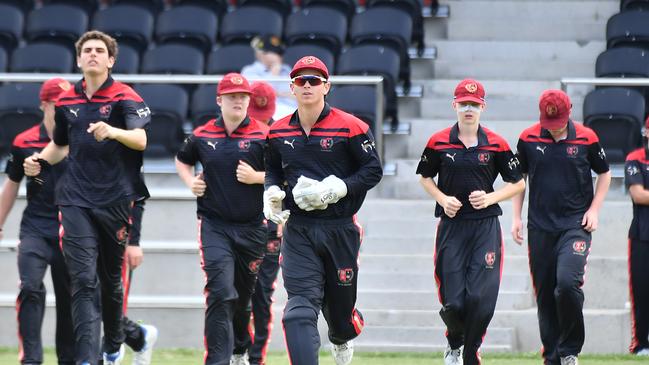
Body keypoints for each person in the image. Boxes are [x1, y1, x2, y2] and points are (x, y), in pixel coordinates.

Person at [23, 30, 151, 365]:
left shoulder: (126, 97)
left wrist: (113, 131)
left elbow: (140, 139)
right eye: (87, 51)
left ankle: (114, 341)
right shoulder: (67, 101)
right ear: (79, 60)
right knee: (81, 280)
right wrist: (38, 160)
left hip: (115, 201)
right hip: (75, 199)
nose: (93, 55)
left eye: (100, 51)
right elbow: (60, 146)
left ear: (111, 60)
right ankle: (86, 359)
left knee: (110, 283)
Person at [264, 56, 383, 365]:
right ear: (291, 87)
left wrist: (340, 188)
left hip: (340, 228)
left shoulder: (351, 126)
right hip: (299, 229)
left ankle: (342, 335)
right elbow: (273, 170)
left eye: (314, 80)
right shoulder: (277, 131)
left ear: (326, 86)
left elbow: (372, 171)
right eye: (301, 80)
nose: (307, 85)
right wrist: (272, 192)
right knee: (299, 310)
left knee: (341, 317)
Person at [416, 79, 525, 365]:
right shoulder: (438, 141)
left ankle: (471, 351)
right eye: (463, 104)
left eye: (474, 105)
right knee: (453, 301)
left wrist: (491, 198)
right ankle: (455, 342)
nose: (468, 109)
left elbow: (518, 183)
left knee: (479, 297)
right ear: (454, 105)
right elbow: (425, 177)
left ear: (482, 107)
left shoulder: (497, 143)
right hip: (452, 227)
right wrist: (442, 198)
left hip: (485, 227)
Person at [511, 89, 611, 365]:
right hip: (540, 227)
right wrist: (516, 217)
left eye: (559, 125)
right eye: (549, 125)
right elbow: (519, 179)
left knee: (566, 285)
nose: (554, 130)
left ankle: (569, 351)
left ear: (569, 115)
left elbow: (605, 173)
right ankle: (552, 357)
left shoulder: (587, 138)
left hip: (575, 225)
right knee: (545, 294)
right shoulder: (528, 138)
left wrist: (595, 210)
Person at [175, 73, 269, 365]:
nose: (239, 101)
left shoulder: (264, 135)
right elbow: (182, 159)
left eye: (243, 96)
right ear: (220, 100)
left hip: (253, 228)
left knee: (242, 300)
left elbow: (286, 173)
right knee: (220, 292)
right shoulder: (202, 135)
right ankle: (217, 360)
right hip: (215, 225)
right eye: (232, 96)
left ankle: (240, 348)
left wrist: (257, 178)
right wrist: (190, 182)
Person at [0, 78, 75, 365]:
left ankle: (68, 359)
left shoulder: (79, 140)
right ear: (45, 105)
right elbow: (11, 185)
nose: (65, 110)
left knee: (70, 302)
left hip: (72, 230)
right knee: (30, 287)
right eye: (59, 104)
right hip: (35, 229)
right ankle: (30, 359)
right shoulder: (24, 141)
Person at [230, 81, 282, 365]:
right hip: (235, 224)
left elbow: (292, 176)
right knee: (234, 292)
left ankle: (255, 358)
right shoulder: (232, 133)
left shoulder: (280, 134)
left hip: (270, 225)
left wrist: (256, 177)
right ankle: (239, 348)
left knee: (262, 293)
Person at [623, 116, 649, 357]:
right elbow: (639, 194)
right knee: (641, 290)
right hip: (643, 235)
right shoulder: (635, 159)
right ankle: (641, 343)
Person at [241, 35, 296, 120]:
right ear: (260, 53)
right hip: (262, 112)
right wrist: (275, 69)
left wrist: (278, 94)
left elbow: (297, 95)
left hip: (291, 111)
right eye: (273, 52)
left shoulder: (287, 70)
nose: (278, 56)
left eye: (279, 53)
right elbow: (260, 95)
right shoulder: (249, 71)